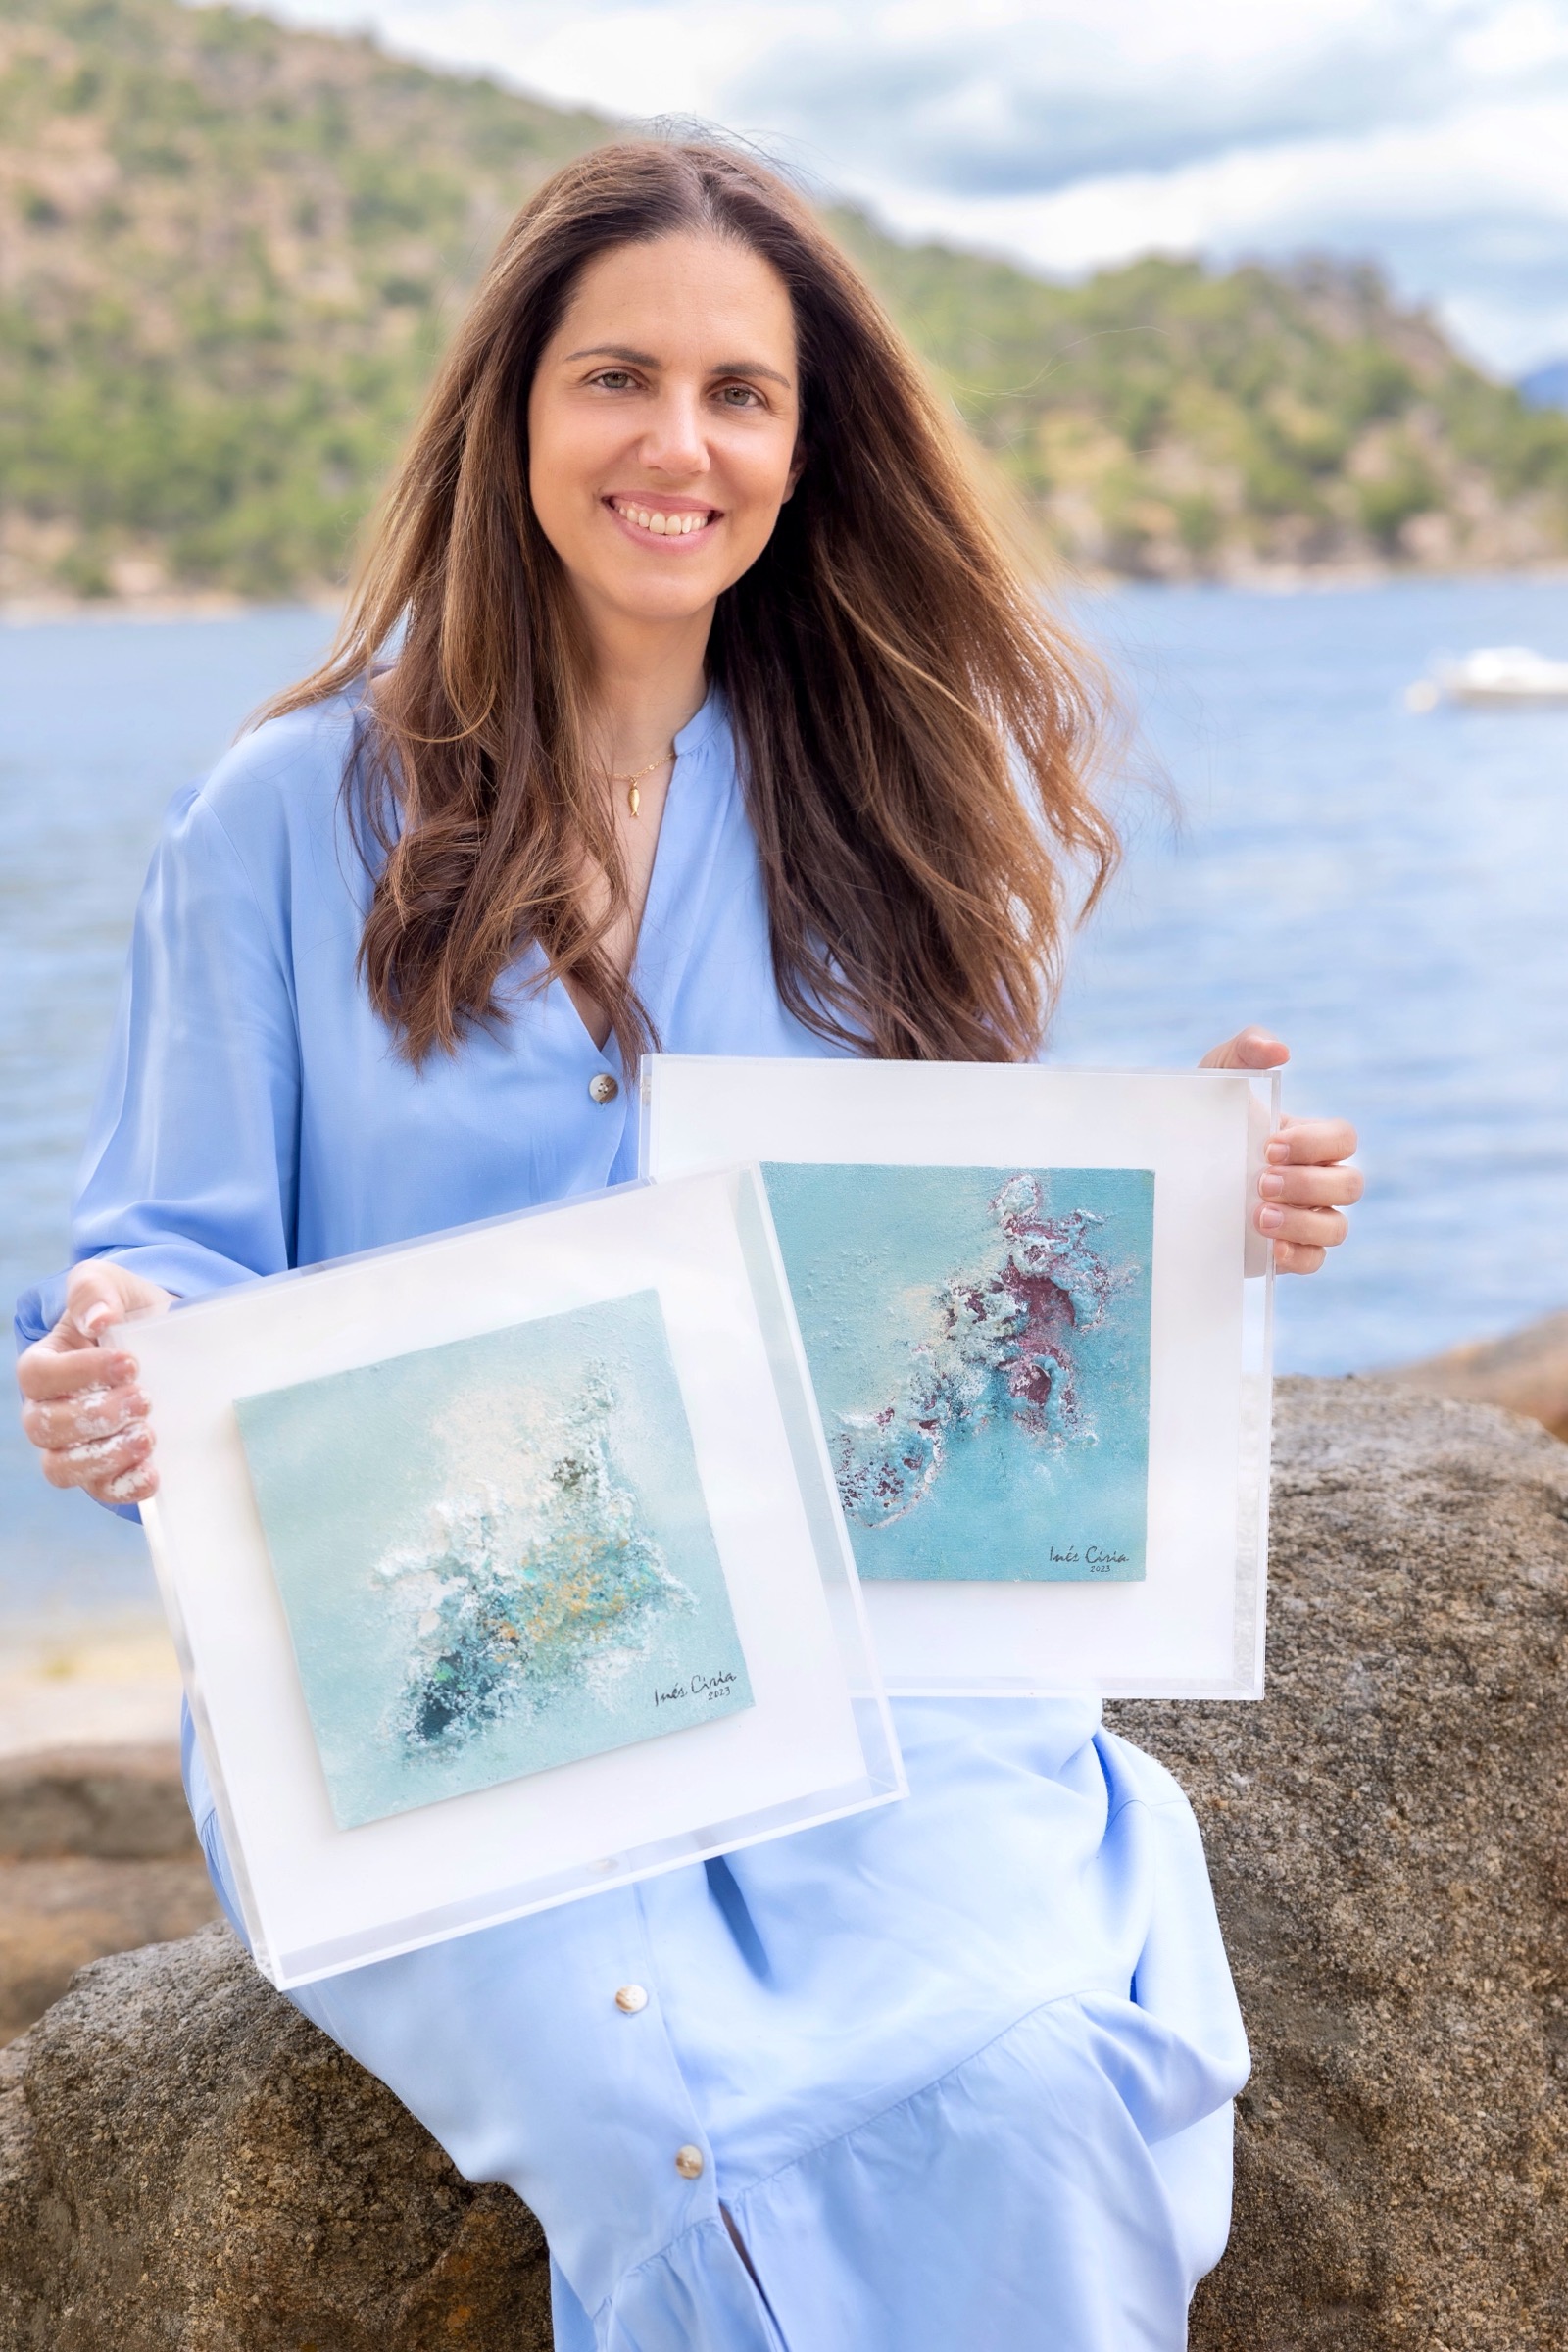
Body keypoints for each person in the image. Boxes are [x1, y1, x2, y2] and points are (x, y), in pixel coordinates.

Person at [15, 140, 1360, 2351]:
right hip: (431, 1695)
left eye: (740, 394)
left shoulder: (893, 815)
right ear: (509, 419)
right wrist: (118, 1344)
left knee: (1022, 2079)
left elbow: (928, 1275)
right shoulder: (277, 819)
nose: (678, 442)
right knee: (696, 2133)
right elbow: (163, 1253)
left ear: (803, 451)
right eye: (616, 378)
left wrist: (1182, 1203)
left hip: (854, 1672)